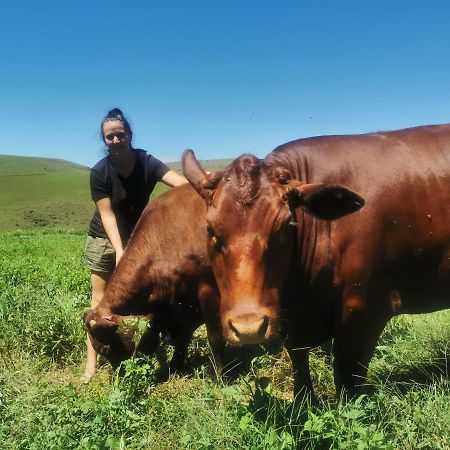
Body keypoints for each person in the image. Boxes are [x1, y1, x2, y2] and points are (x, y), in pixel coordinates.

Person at [81, 107, 187, 382]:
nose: (115, 140)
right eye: (109, 137)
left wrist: (207, 182)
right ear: (104, 141)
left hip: (138, 240)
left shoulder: (147, 162)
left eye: (120, 135)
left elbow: (179, 183)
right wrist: (119, 250)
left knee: (139, 301)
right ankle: (90, 366)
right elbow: (107, 214)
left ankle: (136, 354)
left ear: (129, 134)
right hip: (105, 239)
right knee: (99, 301)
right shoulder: (100, 172)